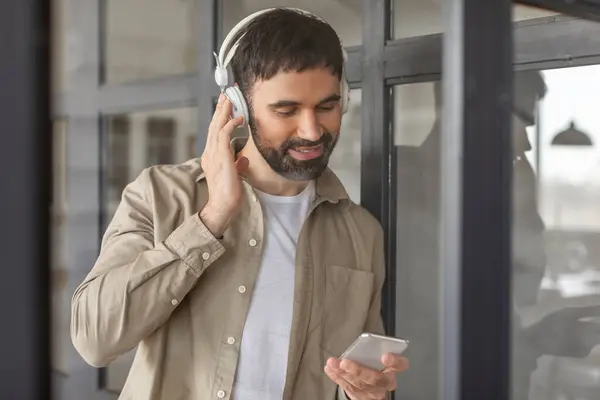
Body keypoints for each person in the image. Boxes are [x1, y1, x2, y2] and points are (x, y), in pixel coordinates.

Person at [70, 7, 408, 400]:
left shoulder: (361, 234)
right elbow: (94, 339)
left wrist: (368, 393)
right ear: (238, 106)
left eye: (326, 107)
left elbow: (356, 379)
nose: (312, 130)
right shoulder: (161, 195)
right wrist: (212, 219)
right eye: (286, 110)